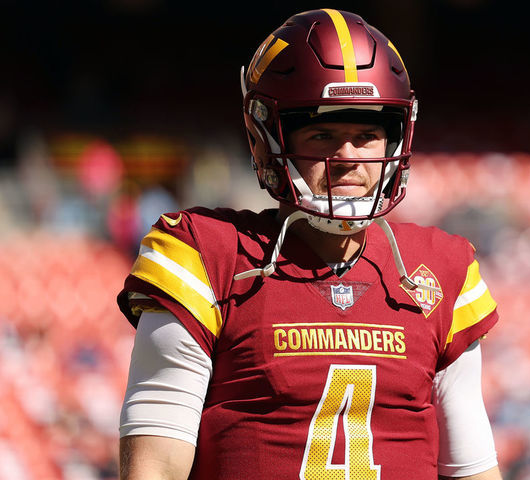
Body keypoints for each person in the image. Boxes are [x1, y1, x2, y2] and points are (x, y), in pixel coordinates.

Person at [117, 8, 502, 480]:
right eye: (322, 135)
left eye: (366, 136)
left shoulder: (442, 270)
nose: (347, 159)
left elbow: (472, 469)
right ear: (264, 141)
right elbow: (155, 466)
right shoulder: (205, 254)